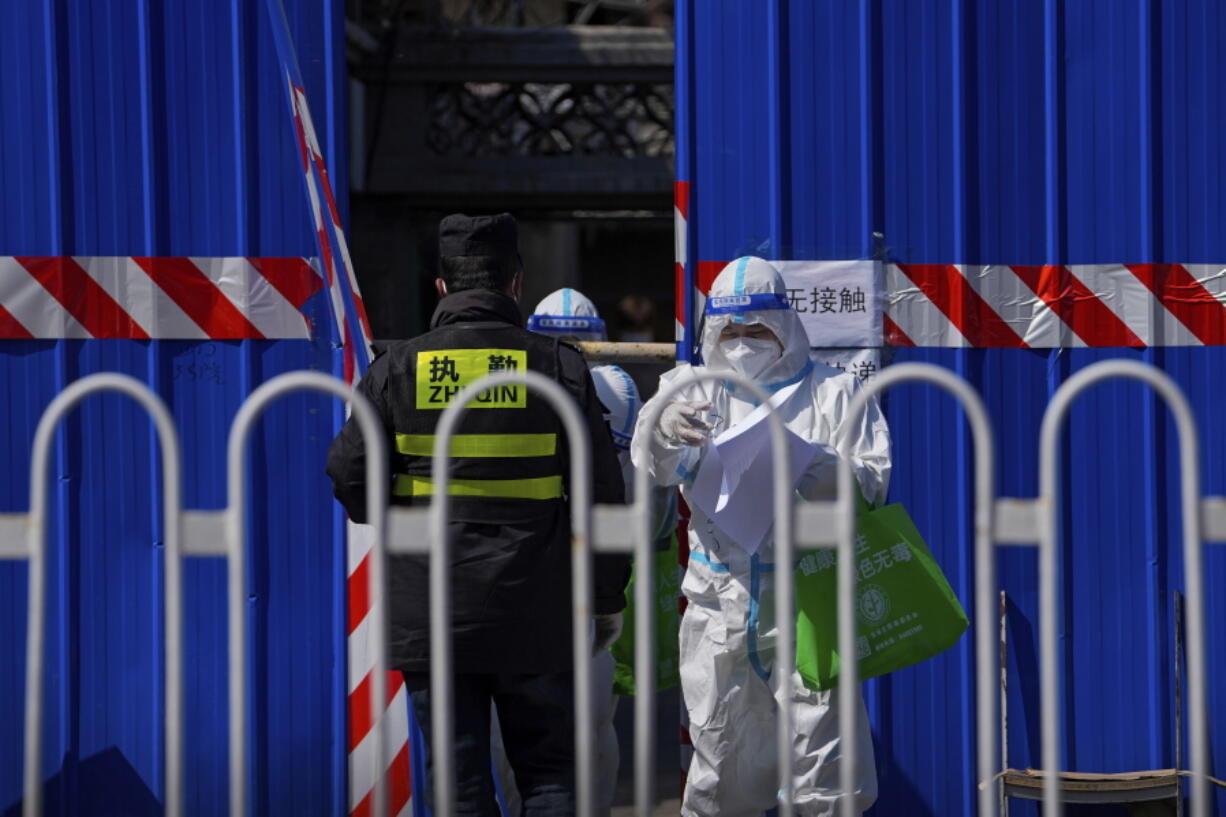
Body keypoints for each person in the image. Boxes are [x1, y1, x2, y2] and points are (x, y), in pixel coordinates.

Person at [326, 213, 629, 817]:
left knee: (458, 781)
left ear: (441, 287)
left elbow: (348, 475)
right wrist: (605, 597)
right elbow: (604, 499)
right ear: (515, 284)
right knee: (548, 776)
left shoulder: (397, 370)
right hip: (536, 610)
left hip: (432, 609)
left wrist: (402, 518)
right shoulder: (558, 368)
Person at [630, 256, 891, 817]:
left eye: (758, 330)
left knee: (824, 764)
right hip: (719, 607)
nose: (744, 343)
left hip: (811, 603)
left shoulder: (834, 393)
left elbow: (871, 484)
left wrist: (819, 467)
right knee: (719, 762)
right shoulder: (688, 386)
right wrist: (666, 429)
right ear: (711, 330)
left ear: (786, 326)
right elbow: (652, 461)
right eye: (731, 330)